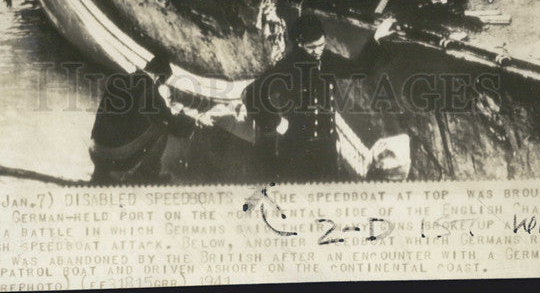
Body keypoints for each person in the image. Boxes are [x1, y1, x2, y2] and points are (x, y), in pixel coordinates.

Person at [242, 13, 395, 182]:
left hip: (326, 150)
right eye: (312, 47)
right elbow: (251, 94)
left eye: (321, 45)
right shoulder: (287, 67)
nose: (318, 51)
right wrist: (276, 122)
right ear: (300, 44)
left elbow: (359, 69)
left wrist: (376, 38)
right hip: (297, 151)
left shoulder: (326, 59)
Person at [89, 50, 214, 184]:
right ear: (158, 78)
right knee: (162, 128)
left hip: (95, 149)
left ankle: (118, 172)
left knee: (150, 119)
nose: (159, 85)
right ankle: (149, 173)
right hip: (116, 156)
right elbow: (173, 125)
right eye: (161, 82)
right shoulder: (149, 92)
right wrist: (195, 116)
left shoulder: (119, 80)